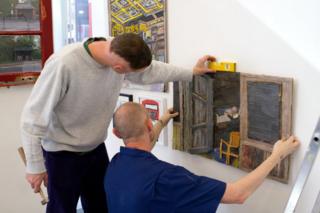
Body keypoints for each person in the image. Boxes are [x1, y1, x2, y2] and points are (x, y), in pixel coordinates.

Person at [20, 33, 215, 212]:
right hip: (61, 154)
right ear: (119, 69)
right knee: (62, 209)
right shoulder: (63, 64)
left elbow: (151, 71)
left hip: (95, 149)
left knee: (102, 205)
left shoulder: (118, 50)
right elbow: (32, 120)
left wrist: (192, 73)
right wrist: (35, 166)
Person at [105, 102, 300, 213]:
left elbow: (141, 145)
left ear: (116, 133)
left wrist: (162, 122)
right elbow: (237, 195)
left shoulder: (115, 164)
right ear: (149, 126)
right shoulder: (168, 177)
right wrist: (277, 155)